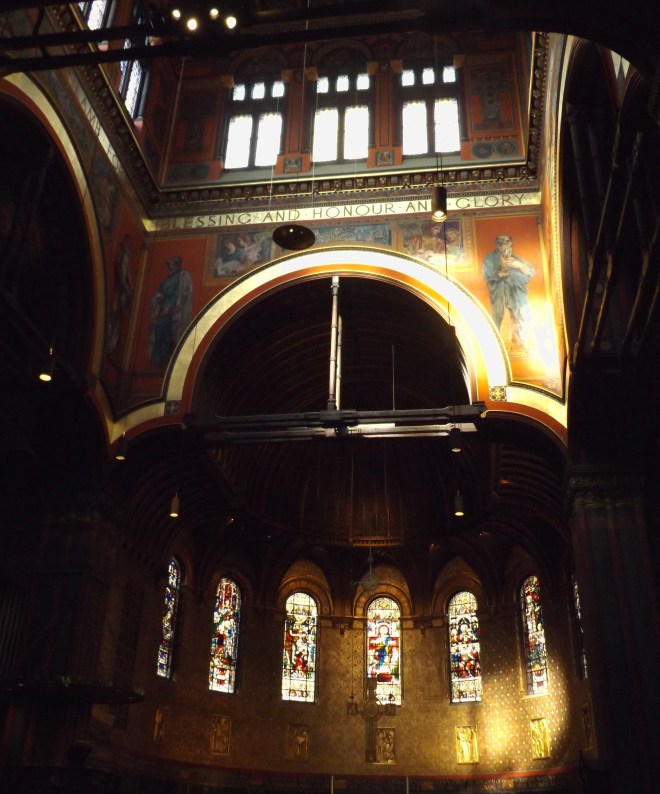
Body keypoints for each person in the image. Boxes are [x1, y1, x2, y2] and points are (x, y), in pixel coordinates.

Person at [482, 234, 534, 354]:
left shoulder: (515, 259)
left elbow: (529, 272)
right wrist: (506, 274)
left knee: (517, 316)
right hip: (500, 294)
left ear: (510, 243)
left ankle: (519, 342)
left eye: (507, 242)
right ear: (497, 245)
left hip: (515, 295)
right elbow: (488, 273)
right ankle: (503, 345)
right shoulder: (490, 258)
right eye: (501, 243)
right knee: (502, 316)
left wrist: (519, 266)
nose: (504, 245)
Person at [149, 255, 193, 366]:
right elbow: (160, 291)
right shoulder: (167, 279)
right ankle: (159, 357)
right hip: (163, 307)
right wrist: (158, 297)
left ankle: (167, 356)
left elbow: (183, 293)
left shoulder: (182, 276)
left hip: (174, 309)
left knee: (168, 329)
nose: (170, 267)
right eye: (169, 265)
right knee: (159, 326)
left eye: (172, 264)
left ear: (176, 265)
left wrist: (170, 306)